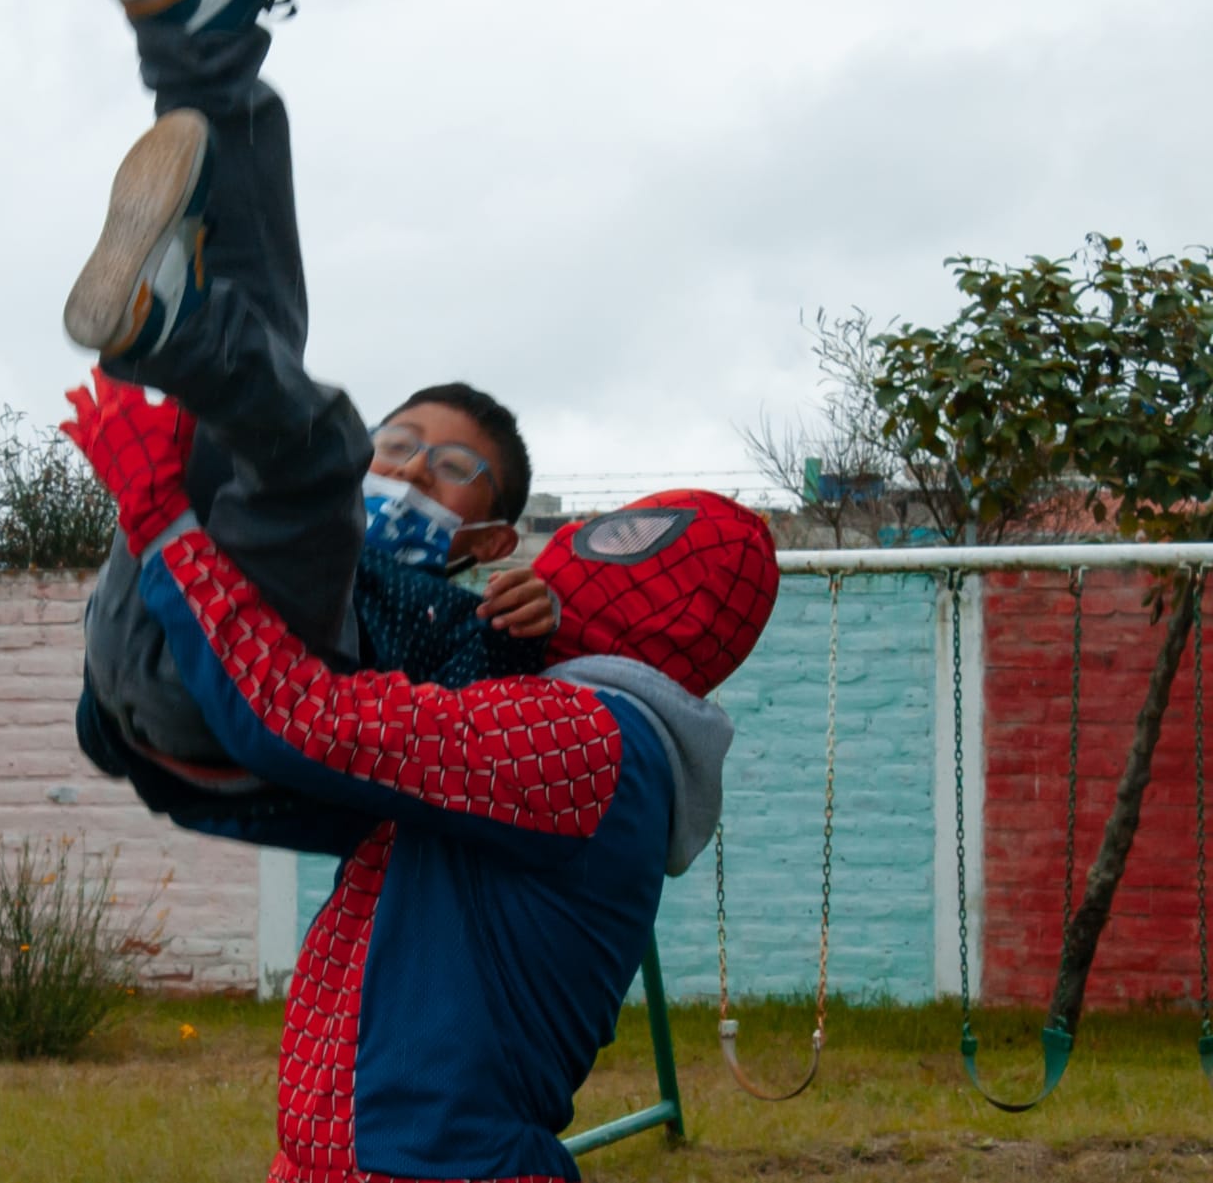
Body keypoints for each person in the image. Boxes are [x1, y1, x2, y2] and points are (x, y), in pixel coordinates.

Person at [75, 379, 780, 1181]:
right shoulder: (540, 725)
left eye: (617, 540)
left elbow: (304, 718)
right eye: (398, 444)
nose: (409, 473)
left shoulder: (583, 735)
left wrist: (166, 523)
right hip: (350, 1157)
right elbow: (300, 791)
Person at [61, 0, 552, 804]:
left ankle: (173, 323)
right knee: (266, 346)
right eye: (400, 443)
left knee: (312, 442)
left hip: (225, 718)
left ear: (487, 537)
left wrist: (529, 626)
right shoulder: (305, 505)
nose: (410, 469)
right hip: (153, 621)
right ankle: (196, 39)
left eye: (453, 469)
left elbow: (465, 743)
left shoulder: (463, 619)